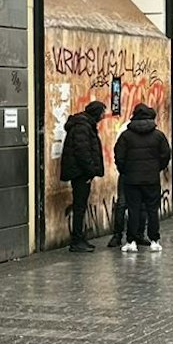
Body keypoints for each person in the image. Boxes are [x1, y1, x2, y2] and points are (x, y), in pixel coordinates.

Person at [113, 103, 171, 251]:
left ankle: (131, 241)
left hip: (131, 179)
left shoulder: (126, 135)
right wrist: (156, 168)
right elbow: (166, 155)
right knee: (152, 210)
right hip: (151, 179)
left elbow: (119, 156)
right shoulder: (158, 135)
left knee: (133, 209)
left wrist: (125, 170)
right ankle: (154, 240)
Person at [57, 99, 106, 253]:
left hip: (80, 172)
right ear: (96, 113)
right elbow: (82, 152)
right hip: (80, 173)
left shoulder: (84, 125)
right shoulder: (82, 127)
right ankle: (77, 240)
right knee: (79, 206)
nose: (103, 116)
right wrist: (90, 171)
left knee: (81, 206)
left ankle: (80, 238)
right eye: (102, 113)